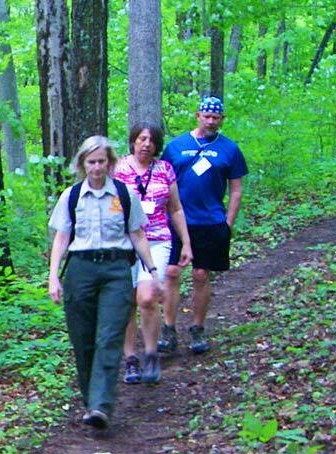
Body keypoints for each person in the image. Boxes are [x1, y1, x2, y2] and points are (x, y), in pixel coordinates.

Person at [48, 135, 159, 430]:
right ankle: (91, 402)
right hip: (80, 269)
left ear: (110, 163)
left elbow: (137, 234)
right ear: (83, 164)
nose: (97, 167)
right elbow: (61, 238)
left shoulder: (124, 195)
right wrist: (53, 277)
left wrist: (153, 270)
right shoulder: (70, 197)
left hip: (116, 269)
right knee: (83, 340)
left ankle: (101, 405)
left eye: (102, 161)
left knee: (109, 337)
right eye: (91, 162)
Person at [159, 96, 248, 355]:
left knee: (201, 275)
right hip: (177, 221)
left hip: (210, 221)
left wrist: (228, 223)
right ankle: (168, 328)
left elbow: (236, 189)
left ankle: (197, 328)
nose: (210, 121)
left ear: (222, 119)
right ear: (197, 115)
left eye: (216, 117)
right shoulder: (176, 146)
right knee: (172, 272)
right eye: (206, 116)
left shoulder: (229, 149)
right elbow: (163, 182)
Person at [112, 123, 192, 385]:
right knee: (126, 302)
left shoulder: (165, 170)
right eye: (141, 139)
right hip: (124, 242)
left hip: (157, 240)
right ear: (133, 141)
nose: (146, 144)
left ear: (157, 144)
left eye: (151, 140)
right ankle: (130, 359)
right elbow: (110, 207)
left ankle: (150, 354)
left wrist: (187, 242)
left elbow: (176, 208)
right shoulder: (119, 169)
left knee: (147, 297)